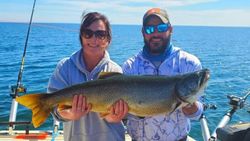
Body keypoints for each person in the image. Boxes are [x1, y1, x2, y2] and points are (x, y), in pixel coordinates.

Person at [122, 8, 203, 141]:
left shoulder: (189, 64)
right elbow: (128, 115)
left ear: (170, 29)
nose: (155, 33)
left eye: (161, 28)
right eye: (149, 29)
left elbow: (197, 114)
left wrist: (189, 104)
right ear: (143, 33)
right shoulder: (130, 66)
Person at [48, 12, 128, 141]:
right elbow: (54, 109)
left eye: (100, 34)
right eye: (88, 33)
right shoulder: (64, 67)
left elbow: (118, 116)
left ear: (108, 39)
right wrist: (70, 114)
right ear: (81, 37)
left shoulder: (115, 71)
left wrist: (115, 117)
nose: (94, 39)